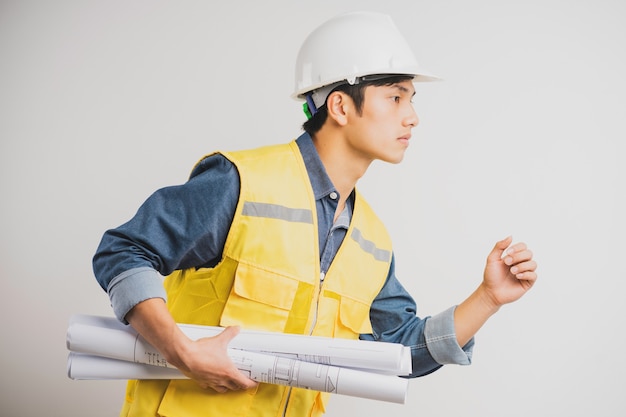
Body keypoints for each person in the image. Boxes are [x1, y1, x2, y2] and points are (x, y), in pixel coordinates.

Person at [92, 11, 538, 417]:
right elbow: (124, 250)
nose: (413, 117)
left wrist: (488, 297)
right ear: (341, 106)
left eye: (412, 99)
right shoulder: (240, 182)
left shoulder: (370, 238)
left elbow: (401, 353)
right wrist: (182, 351)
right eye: (396, 98)